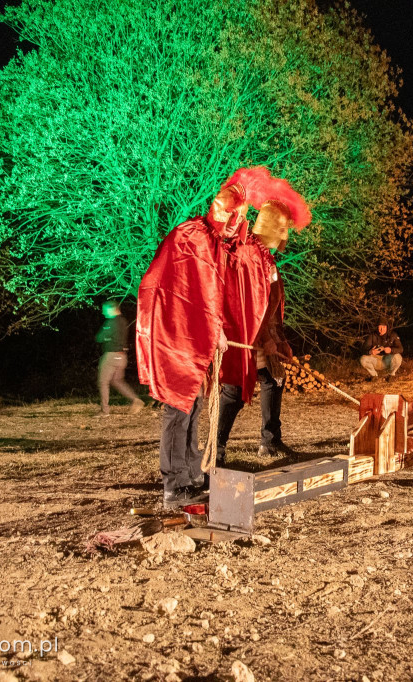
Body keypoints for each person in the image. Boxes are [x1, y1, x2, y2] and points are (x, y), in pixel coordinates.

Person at [137, 168, 270, 508]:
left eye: (238, 216)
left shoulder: (219, 245)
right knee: (178, 408)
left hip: (201, 340)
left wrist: (220, 330)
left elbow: (219, 293)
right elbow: (188, 292)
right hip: (178, 337)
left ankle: (192, 472)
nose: (232, 220)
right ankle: (173, 480)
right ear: (215, 207)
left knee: (195, 405)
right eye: (227, 212)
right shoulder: (192, 236)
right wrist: (213, 330)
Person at [218, 174, 311, 460]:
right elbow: (248, 304)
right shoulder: (248, 254)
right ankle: (216, 450)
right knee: (233, 392)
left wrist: (278, 339)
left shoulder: (266, 257)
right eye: (282, 229)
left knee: (273, 379)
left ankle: (270, 441)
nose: (285, 236)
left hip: (264, 336)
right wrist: (263, 338)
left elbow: (271, 303)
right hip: (243, 335)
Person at [94, 299, 144, 417]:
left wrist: (106, 338)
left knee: (103, 382)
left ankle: (104, 411)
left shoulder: (111, 323)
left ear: (112, 309)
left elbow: (99, 338)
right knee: (117, 381)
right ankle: (136, 400)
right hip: (122, 356)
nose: (103, 313)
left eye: (105, 310)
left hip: (111, 355)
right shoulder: (123, 321)